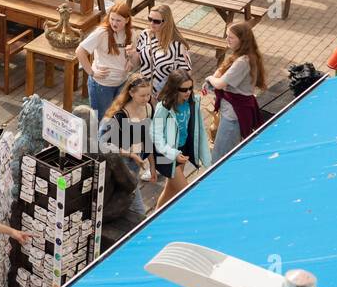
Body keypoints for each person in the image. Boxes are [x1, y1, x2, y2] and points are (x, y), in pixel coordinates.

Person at [74, 104, 144, 247]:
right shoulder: (106, 152)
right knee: (128, 192)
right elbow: (130, 183)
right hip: (100, 210)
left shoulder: (62, 147)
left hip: (75, 207)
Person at [204, 22, 265, 160]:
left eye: (231, 37)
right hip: (233, 111)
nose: (227, 40)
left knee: (220, 157)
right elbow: (221, 71)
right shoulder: (243, 56)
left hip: (233, 115)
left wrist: (209, 78)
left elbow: (219, 83)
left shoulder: (242, 61)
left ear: (242, 40)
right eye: (227, 36)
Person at [151, 70, 211, 210]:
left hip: (182, 150)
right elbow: (156, 136)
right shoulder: (163, 107)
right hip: (166, 154)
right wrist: (173, 153)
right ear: (174, 89)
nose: (188, 92)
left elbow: (200, 130)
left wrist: (207, 160)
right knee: (187, 193)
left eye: (190, 88)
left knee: (170, 190)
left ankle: (155, 217)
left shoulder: (193, 102)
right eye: (184, 89)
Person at [76, 1, 134, 121]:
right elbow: (80, 51)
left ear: (127, 20)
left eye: (118, 20)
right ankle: (98, 140)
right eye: (112, 19)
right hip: (102, 85)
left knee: (117, 118)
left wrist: (131, 60)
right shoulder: (102, 33)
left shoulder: (131, 34)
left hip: (121, 83)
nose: (114, 23)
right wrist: (92, 72)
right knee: (102, 120)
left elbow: (134, 56)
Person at [100, 75, 157, 187]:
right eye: (142, 96)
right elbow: (107, 146)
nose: (146, 99)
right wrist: (131, 155)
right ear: (131, 93)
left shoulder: (148, 108)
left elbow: (146, 137)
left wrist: (152, 165)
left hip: (137, 159)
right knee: (129, 195)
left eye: (148, 95)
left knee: (128, 195)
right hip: (121, 161)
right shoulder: (120, 116)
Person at [135, 3, 192, 94]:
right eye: (150, 19)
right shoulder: (145, 35)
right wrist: (131, 56)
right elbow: (137, 63)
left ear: (166, 22)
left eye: (156, 21)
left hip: (164, 94)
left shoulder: (177, 45)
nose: (151, 23)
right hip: (144, 91)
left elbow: (186, 74)